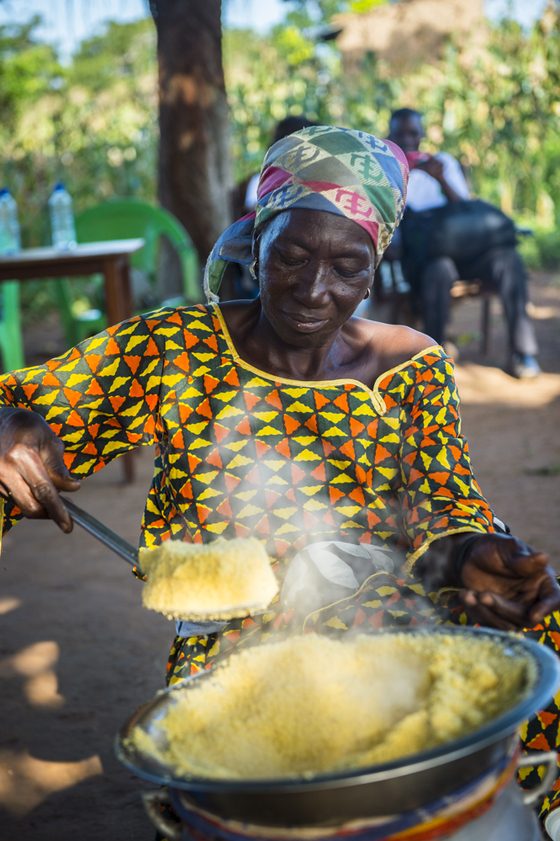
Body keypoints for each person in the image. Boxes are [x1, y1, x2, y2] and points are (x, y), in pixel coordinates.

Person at [0, 126, 559, 825]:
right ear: (255, 235)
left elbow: (447, 504)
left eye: (348, 268)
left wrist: (472, 552)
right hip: (240, 634)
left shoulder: (410, 366)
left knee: (534, 633)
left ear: (377, 262)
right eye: (291, 254)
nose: (314, 289)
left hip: (394, 601)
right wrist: (6, 432)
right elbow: (23, 413)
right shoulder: (173, 350)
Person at [388, 108, 540, 379]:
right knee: (439, 270)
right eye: (401, 134)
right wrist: (401, 175)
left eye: (413, 133)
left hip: (466, 249)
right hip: (428, 256)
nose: (408, 139)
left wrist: (441, 178)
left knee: (509, 259)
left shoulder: (443, 161)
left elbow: (465, 207)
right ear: (391, 134)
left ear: (422, 134)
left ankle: (523, 353)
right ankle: (434, 358)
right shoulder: (387, 167)